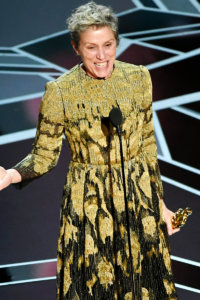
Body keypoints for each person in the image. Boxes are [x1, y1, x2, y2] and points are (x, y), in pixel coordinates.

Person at [0, 2, 180, 299]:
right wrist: (12, 174)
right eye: (91, 47)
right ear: (76, 47)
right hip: (89, 204)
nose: (101, 56)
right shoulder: (60, 91)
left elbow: (147, 145)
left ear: (116, 42)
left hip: (139, 201)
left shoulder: (138, 78)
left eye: (108, 45)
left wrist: (159, 206)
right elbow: (44, 155)